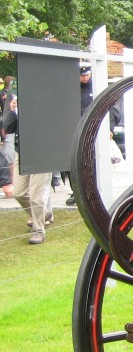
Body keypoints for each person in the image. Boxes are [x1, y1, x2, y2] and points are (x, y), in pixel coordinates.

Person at [7, 94, 53, 244]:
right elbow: (8, 127)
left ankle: (39, 231)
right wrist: (12, 111)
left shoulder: (43, 98)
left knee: (36, 196)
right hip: (23, 153)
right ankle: (44, 213)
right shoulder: (16, 96)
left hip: (43, 152)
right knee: (19, 193)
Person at [65, 64, 93, 207]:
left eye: (87, 74)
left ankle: (89, 192)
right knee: (72, 164)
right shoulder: (71, 88)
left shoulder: (95, 86)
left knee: (89, 163)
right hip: (73, 130)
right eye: (82, 75)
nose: (85, 77)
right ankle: (76, 192)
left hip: (90, 130)